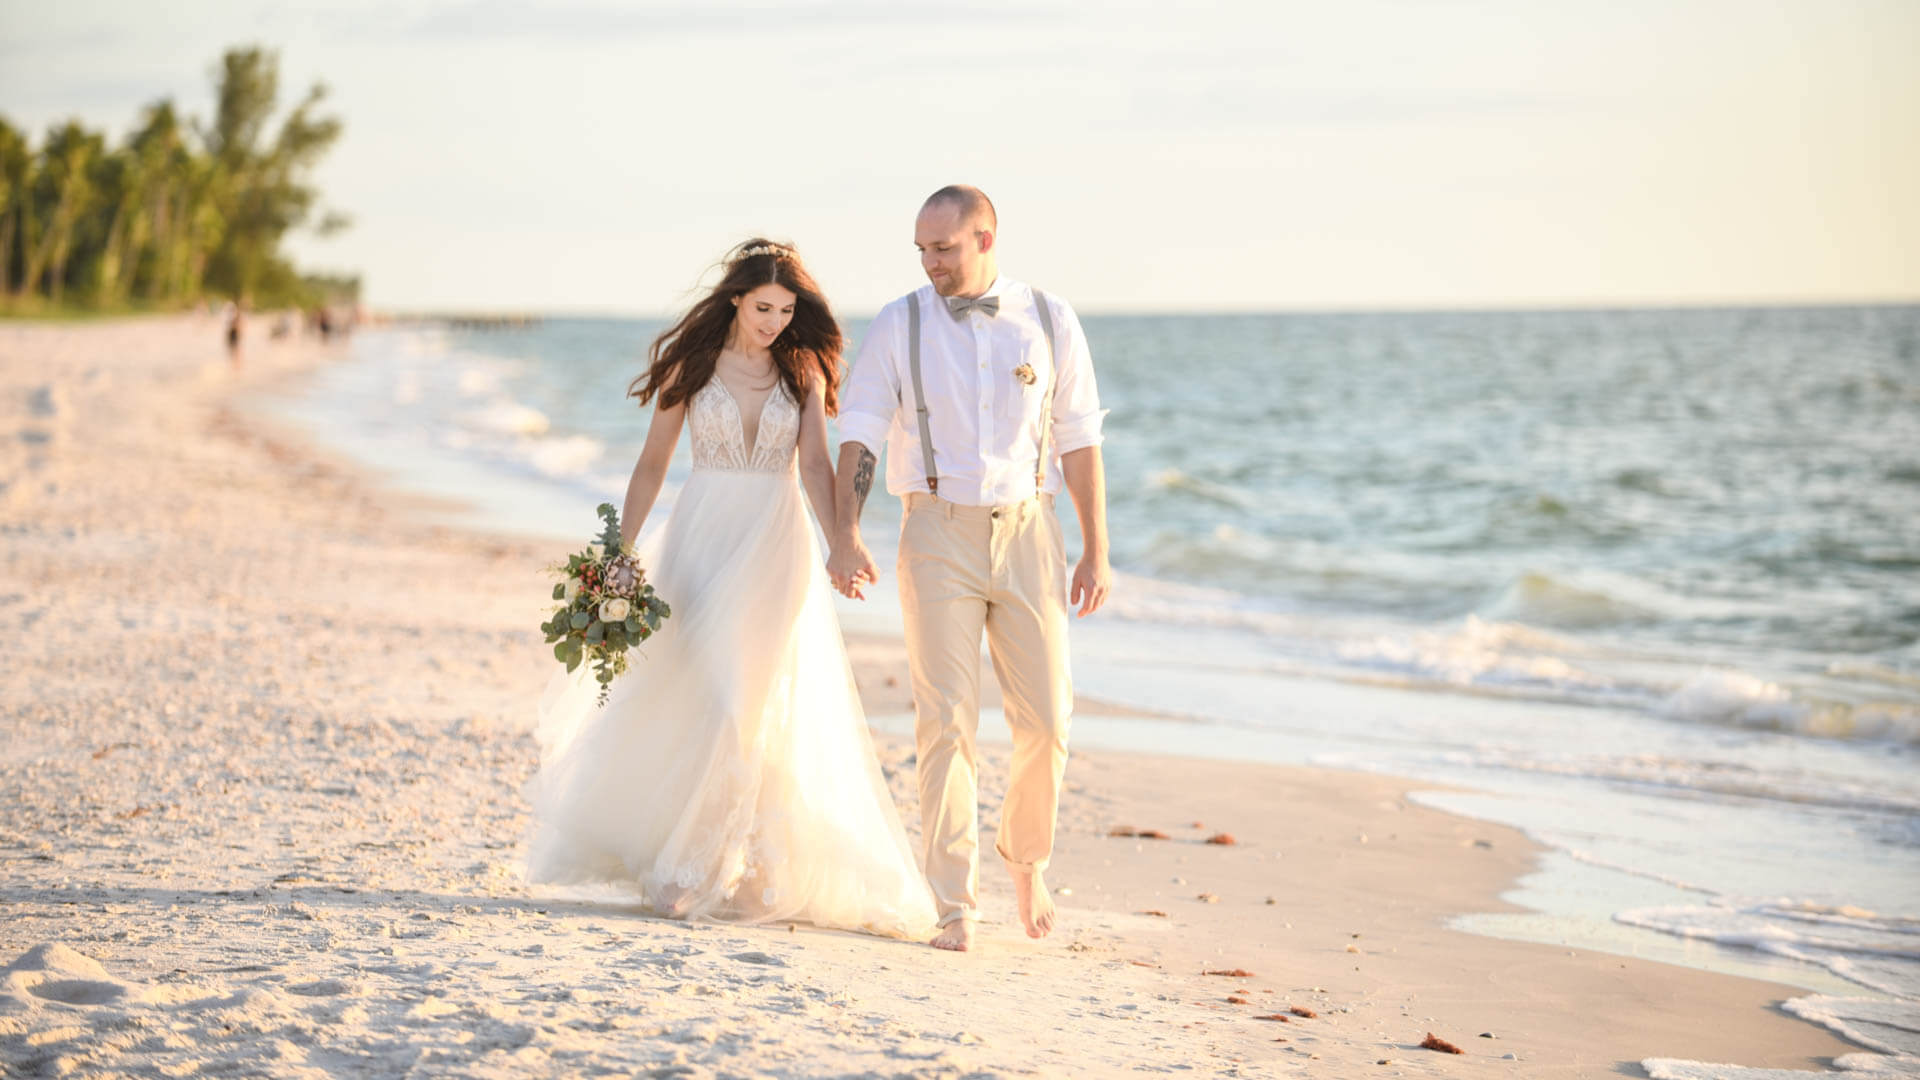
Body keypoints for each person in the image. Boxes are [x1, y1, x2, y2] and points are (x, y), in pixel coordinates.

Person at [524, 240, 938, 939]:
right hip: (702, 534)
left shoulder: (801, 372)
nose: (774, 321)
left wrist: (844, 539)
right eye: (762, 308)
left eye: (785, 310)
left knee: (747, 697)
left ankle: (702, 867)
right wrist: (618, 552)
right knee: (705, 688)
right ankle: (694, 855)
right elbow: (653, 463)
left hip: (777, 540)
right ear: (735, 301)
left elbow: (813, 465)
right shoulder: (692, 367)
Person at [827, 186, 1112, 952]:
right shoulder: (901, 322)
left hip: (1030, 532)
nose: (931, 263)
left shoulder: (1051, 319)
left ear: (986, 237)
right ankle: (955, 904)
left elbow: (1080, 437)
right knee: (946, 722)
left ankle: (1026, 859)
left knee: (1047, 720)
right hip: (936, 531)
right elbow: (858, 428)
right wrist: (845, 529)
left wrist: (1096, 548)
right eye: (921, 249)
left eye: (944, 248)